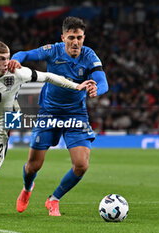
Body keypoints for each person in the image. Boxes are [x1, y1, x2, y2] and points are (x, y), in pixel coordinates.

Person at [0, 40, 96, 219]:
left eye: (7, 58)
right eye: (1, 59)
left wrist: (78, 86)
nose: (6, 62)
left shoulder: (17, 73)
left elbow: (49, 77)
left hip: (0, 127)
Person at [8, 17, 109, 216]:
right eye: (71, 37)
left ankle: (53, 200)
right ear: (63, 38)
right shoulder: (53, 50)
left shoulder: (89, 55)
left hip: (76, 114)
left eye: (79, 37)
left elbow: (102, 80)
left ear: (83, 37)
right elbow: (25, 53)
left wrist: (97, 89)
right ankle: (27, 189)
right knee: (33, 165)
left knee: (81, 165)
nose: (75, 42)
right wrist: (16, 61)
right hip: (49, 112)